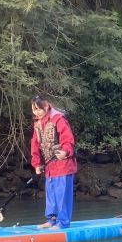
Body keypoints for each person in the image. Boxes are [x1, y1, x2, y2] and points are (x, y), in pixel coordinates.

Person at [30, 95, 77, 229]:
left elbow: (68, 139)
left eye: (39, 109)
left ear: (46, 106)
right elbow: (35, 144)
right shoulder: (37, 123)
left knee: (62, 194)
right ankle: (51, 220)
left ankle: (63, 223)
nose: (36, 112)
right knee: (51, 194)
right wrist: (37, 163)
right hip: (50, 166)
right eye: (34, 110)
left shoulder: (59, 119)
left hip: (63, 164)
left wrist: (66, 152)